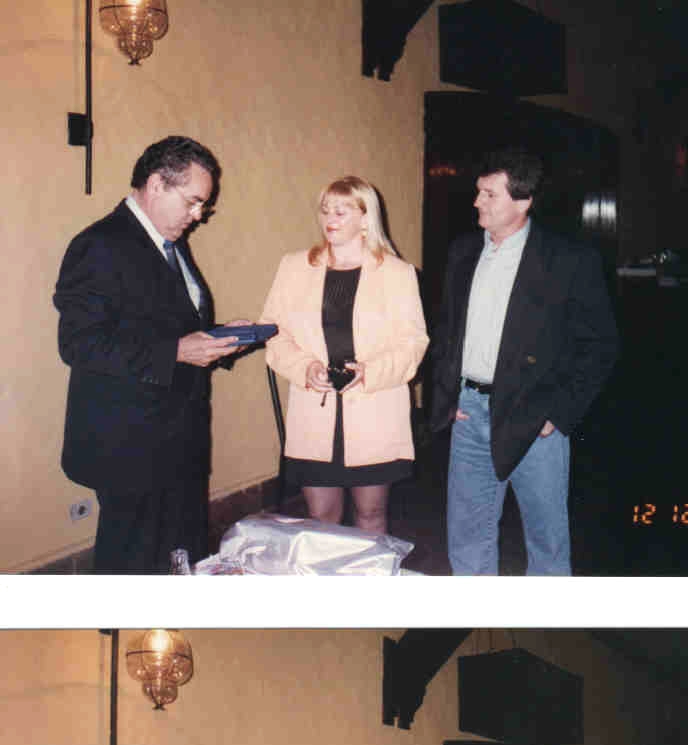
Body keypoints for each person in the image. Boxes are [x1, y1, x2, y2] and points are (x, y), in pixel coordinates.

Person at [54, 135, 245, 574]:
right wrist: (177, 351)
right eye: (193, 202)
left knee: (180, 556)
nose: (198, 216)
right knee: (132, 566)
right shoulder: (99, 244)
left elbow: (164, 326)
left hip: (179, 439)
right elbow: (79, 343)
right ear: (157, 184)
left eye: (203, 206)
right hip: (129, 445)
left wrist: (217, 338)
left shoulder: (169, 242)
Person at [430, 148, 620, 574]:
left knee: (546, 541)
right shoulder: (463, 252)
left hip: (534, 416)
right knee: (468, 538)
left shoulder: (568, 260)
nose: (477, 202)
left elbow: (600, 345)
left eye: (489, 195)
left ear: (523, 201)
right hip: (469, 413)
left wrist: (559, 412)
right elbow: (446, 331)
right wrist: (447, 395)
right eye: (478, 192)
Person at [260, 176, 428, 534]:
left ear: (366, 219)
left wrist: (370, 371)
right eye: (325, 211)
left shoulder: (397, 274)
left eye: (341, 211)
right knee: (321, 517)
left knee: (370, 513)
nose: (329, 219)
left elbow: (413, 343)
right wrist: (304, 368)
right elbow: (273, 333)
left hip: (375, 408)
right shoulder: (294, 266)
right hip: (314, 410)